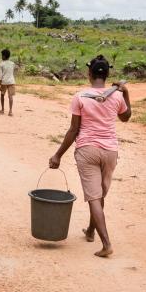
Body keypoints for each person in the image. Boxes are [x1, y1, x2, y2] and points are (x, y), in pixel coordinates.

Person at [48, 55, 131, 258]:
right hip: (110, 151)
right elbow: (126, 117)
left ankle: (106, 244)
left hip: (87, 151)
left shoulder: (81, 97)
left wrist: (57, 155)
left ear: (89, 74)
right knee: (99, 195)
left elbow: (73, 130)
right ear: (107, 75)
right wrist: (125, 92)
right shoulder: (117, 96)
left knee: (94, 197)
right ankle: (91, 231)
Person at [0, 48, 16, 116]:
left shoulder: (1, 64)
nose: (1, 56)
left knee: (2, 95)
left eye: (2, 55)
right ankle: (10, 111)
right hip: (11, 81)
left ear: (4, 56)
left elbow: (0, 75)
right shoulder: (12, 63)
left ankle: (2, 110)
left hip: (4, 82)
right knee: (10, 96)